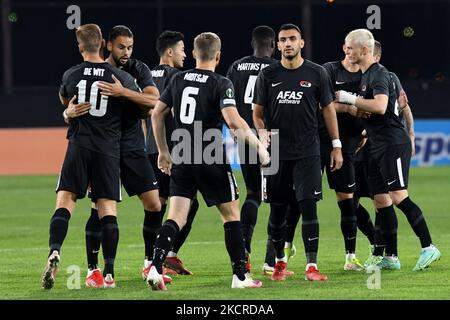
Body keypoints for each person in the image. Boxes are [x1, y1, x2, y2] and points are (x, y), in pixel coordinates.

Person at [148, 32, 270, 290]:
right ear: (218, 55)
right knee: (231, 216)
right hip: (210, 154)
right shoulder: (221, 82)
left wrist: (163, 151)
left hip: (181, 153)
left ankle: (156, 267)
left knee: (176, 217)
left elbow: (157, 113)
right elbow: (234, 121)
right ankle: (240, 277)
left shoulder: (178, 78)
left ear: (193, 53)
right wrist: (260, 148)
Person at [41, 24, 143, 289]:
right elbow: (144, 105)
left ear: (80, 47)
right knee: (107, 210)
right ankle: (108, 274)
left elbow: (65, 99)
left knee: (65, 202)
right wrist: (124, 94)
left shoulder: (71, 74)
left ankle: (54, 250)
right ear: (102, 45)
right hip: (108, 149)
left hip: (78, 146)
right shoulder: (118, 76)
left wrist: (68, 112)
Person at [336, 29, 441, 271]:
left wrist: (347, 99)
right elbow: (375, 112)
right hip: (377, 145)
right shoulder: (366, 77)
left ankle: (428, 246)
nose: (346, 51)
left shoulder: (379, 75)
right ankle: (390, 257)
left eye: (350, 47)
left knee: (398, 196)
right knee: (382, 201)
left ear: (365, 50)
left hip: (392, 144)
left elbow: (381, 107)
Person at [253, 23, 343, 282]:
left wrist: (336, 145)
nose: (288, 43)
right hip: (276, 151)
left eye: (293, 39)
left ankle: (311, 267)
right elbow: (257, 113)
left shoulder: (316, 73)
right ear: (278, 45)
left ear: (302, 43)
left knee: (309, 207)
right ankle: (279, 263)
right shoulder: (268, 74)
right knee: (278, 211)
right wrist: (261, 132)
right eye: (283, 40)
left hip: (308, 151)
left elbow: (328, 109)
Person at [226, 25, 278, 275]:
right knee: (278, 199)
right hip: (271, 138)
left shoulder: (236, 67)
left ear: (252, 43)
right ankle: (271, 260)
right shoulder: (278, 68)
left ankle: (244, 250)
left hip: (244, 137)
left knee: (253, 194)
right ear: (273, 44)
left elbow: (227, 103)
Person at [145, 30, 195, 276]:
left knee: (159, 206)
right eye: (182, 50)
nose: (185, 55)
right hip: (172, 151)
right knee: (184, 205)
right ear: (169, 51)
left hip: (150, 148)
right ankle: (161, 258)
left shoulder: (145, 76)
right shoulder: (178, 77)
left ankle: (159, 259)